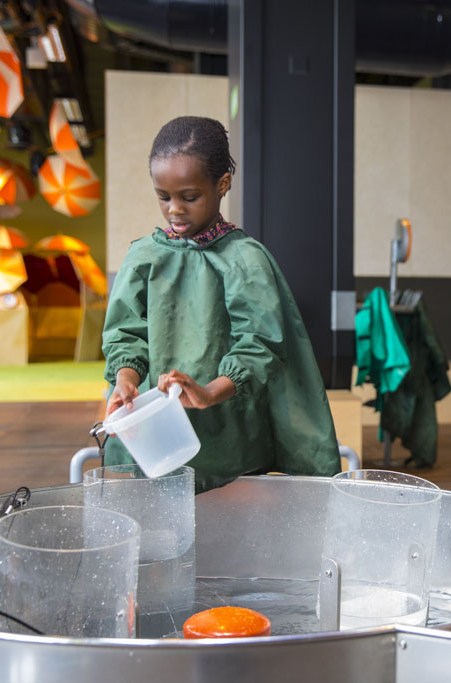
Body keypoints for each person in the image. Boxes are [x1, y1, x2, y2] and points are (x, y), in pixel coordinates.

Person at [102, 116, 341, 493]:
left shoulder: (244, 259)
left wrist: (210, 392)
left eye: (189, 197)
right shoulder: (143, 257)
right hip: (156, 434)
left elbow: (261, 344)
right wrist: (126, 381)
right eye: (163, 197)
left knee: (228, 534)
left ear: (222, 184)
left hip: (232, 434)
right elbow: (126, 334)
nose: (175, 210)